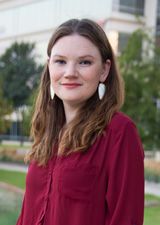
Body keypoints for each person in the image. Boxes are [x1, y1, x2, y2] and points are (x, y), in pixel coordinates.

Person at [16, 18, 144, 225]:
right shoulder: (48, 130)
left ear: (104, 70)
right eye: (60, 61)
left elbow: (126, 219)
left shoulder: (119, 132)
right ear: (49, 67)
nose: (70, 73)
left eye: (84, 62)